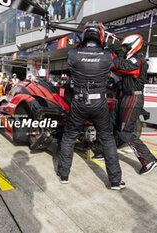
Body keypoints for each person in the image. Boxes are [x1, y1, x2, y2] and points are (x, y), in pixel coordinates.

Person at [57, 21, 125, 190]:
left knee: (69, 137)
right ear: (100, 35)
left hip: (79, 102)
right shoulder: (107, 55)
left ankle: (64, 175)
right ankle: (115, 181)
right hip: (99, 102)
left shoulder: (73, 54)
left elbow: (73, 62)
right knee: (108, 139)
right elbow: (116, 62)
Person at [112, 34, 157, 175]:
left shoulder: (138, 60)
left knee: (125, 132)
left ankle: (149, 159)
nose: (125, 50)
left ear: (134, 45)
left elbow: (119, 66)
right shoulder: (133, 60)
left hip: (133, 98)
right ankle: (108, 151)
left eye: (126, 47)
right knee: (111, 123)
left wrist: (110, 55)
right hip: (125, 97)